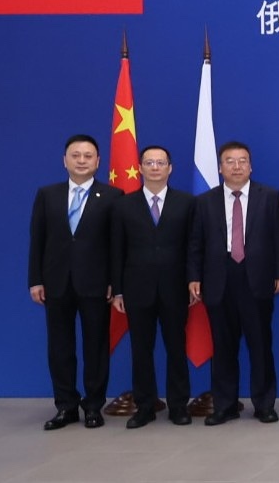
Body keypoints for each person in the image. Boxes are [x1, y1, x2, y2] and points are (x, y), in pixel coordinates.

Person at [187, 141, 279, 425]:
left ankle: (264, 404)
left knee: (260, 345)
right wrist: (194, 276)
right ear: (220, 168)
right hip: (218, 280)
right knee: (223, 347)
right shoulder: (204, 201)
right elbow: (195, 244)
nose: (236, 166)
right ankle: (225, 405)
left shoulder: (269, 196)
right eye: (230, 161)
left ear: (251, 166)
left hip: (258, 278)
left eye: (242, 161)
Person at [29, 134, 124, 430]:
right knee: (60, 348)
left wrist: (115, 282)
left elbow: (117, 245)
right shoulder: (47, 194)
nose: (81, 161)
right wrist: (35, 280)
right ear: (65, 160)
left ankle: (93, 406)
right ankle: (66, 406)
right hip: (55, 283)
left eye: (88, 156)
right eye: (75, 155)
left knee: (96, 347)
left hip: (96, 284)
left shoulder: (113, 196)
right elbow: (37, 240)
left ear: (98, 161)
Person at [110, 145, 194, 428]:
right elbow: (117, 251)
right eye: (149, 162)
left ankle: (178, 406)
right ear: (140, 168)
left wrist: (193, 282)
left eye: (160, 162)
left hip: (176, 288)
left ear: (170, 168)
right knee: (141, 350)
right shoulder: (123, 205)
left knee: (176, 348)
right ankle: (144, 406)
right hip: (137, 289)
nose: (155, 167)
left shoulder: (186, 203)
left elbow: (193, 247)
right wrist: (118, 290)